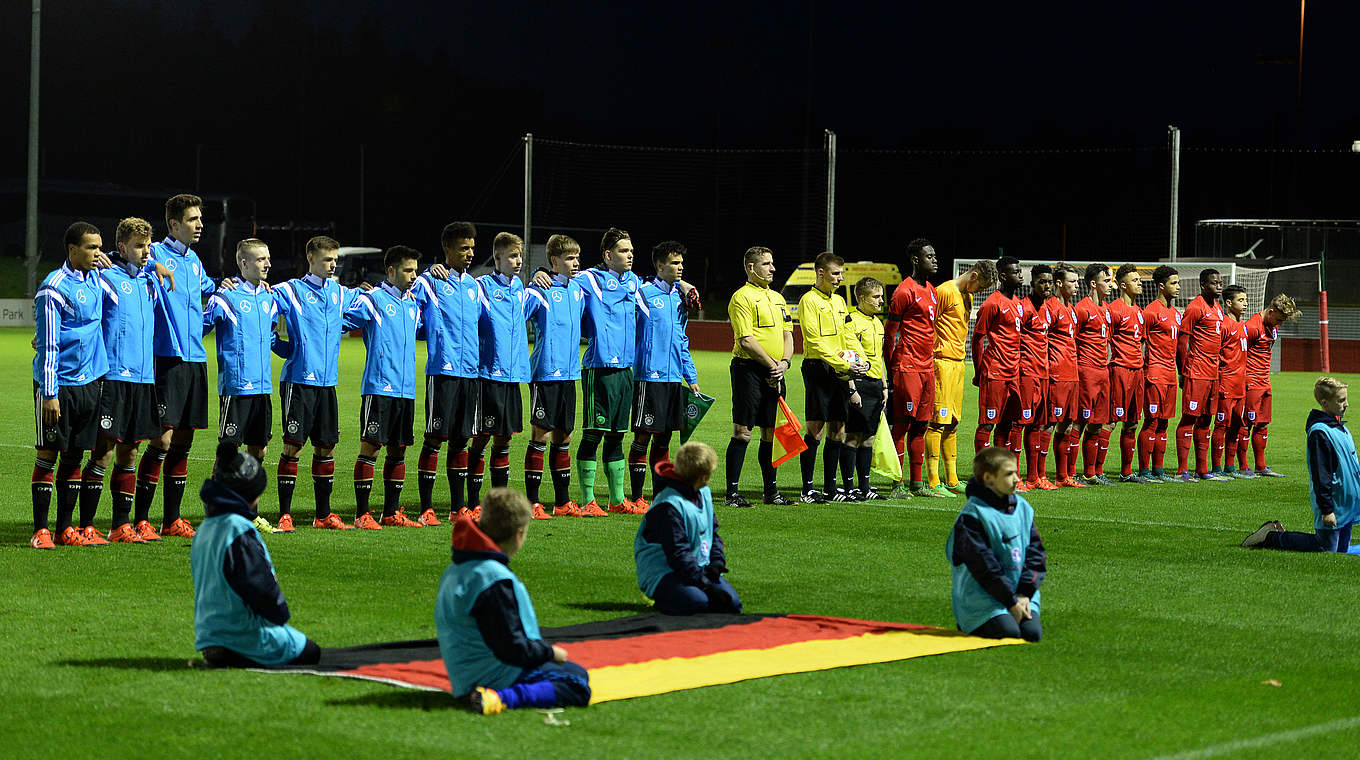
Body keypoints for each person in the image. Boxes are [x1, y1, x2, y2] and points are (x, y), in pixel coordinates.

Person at [436, 488, 592, 715]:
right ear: (519, 535)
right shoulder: (492, 578)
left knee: (573, 672)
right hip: (493, 674)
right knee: (577, 682)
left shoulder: (459, 568)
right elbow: (510, 646)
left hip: (465, 673)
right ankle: (501, 698)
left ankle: (495, 693)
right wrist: (548, 653)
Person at [137, 194, 226, 539]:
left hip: (195, 358)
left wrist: (227, 285)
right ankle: (141, 518)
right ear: (174, 224)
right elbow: (117, 260)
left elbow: (209, 287)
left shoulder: (194, 261)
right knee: (162, 440)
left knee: (184, 440)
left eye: (200, 218)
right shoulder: (155, 252)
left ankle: (171, 519)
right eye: (192, 219)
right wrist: (150, 266)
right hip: (168, 357)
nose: (200, 224)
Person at [192, 441, 323, 668]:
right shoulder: (238, 529)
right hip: (241, 635)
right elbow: (261, 587)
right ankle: (242, 654)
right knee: (310, 650)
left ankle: (225, 652)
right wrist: (280, 615)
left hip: (207, 636)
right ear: (248, 494)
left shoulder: (205, 527)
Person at [271, 236, 362, 530]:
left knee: (326, 447)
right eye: (327, 259)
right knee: (293, 447)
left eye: (335, 259)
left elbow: (359, 307)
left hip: (327, 384)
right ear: (311, 259)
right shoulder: (290, 290)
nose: (333, 264)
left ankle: (322, 515)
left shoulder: (339, 292)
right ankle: (285, 514)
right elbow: (262, 312)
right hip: (299, 381)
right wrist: (285, 348)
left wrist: (369, 291)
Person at [30, 222, 110, 548]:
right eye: (91, 248)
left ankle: (66, 529)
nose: (98, 254)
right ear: (72, 249)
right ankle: (41, 530)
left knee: (75, 456)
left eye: (100, 247)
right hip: (57, 385)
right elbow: (48, 345)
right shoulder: (53, 288)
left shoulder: (96, 279)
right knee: (48, 454)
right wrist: (49, 394)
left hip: (89, 382)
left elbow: (131, 256)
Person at [87, 217, 163, 543]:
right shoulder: (105, 278)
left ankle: (121, 525)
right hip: (114, 377)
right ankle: (86, 525)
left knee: (130, 453)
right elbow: (83, 313)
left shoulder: (150, 283)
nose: (145, 252)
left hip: (144, 379)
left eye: (147, 246)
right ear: (121, 247)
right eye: (138, 246)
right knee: (102, 451)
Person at [203, 239, 286, 532]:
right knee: (228, 452)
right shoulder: (225, 297)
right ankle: (215, 514)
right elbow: (200, 327)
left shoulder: (269, 298)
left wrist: (292, 351)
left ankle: (249, 516)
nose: (267, 264)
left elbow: (272, 337)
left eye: (268, 258)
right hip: (237, 386)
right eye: (260, 259)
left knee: (259, 452)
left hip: (263, 387)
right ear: (243, 264)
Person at [342, 246, 424, 529]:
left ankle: (390, 513)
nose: (413, 276)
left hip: (406, 389)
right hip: (379, 387)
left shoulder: (413, 305)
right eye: (407, 270)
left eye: (415, 270)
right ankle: (362, 514)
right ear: (391, 271)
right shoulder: (373, 300)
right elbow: (340, 320)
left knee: (399, 449)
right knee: (371, 448)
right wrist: (351, 294)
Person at [411, 222, 484, 524]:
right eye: (463, 248)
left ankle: (457, 508)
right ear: (447, 251)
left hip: (471, 373)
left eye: (472, 247)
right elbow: (408, 310)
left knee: (461, 441)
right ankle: (427, 508)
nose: (470, 253)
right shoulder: (429, 283)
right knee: (434, 439)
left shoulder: (475, 287)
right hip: (442, 371)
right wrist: (428, 271)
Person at [1242, 377, 1357, 553]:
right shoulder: (1320, 433)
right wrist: (1327, 510)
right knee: (1325, 548)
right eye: (1341, 400)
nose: (1346, 404)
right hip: (1334, 504)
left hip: (1347, 504)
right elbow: (1321, 475)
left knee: (1340, 552)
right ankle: (1271, 537)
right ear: (1325, 403)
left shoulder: (1342, 429)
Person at [575, 228, 644, 516]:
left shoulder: (634, 281)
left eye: (631, 250)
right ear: (607, 255)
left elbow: (660, 286)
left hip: (626, 370)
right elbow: (560, 282)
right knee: (593, 434)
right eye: (623, 250)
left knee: (617, 437)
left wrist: (685, 285)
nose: (630, 255)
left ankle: (617, 500)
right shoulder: (589, 279)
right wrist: (542, 271)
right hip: (598, 368)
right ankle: (588, 500)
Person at [946, 446, 1045, 642]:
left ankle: (1015, 608)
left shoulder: (1023, 507)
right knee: (1009, 633)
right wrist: (1010, 601)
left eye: (1016, 472)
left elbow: (1036, 554)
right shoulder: (972, 516)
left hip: (1020, 594)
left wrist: (1024, 594)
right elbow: (985, 567)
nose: (1017, 479)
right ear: (988, 478)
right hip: (982, 600)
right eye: (1009, 474)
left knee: (1032, 634)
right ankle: (971, 622)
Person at [629, 241, 701, 508]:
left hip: (672, 378)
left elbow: (681, 340)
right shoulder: (642, 293)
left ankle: (659, 494)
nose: (680, 267)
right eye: (674, 263)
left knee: (664, 437)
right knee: (643, 436)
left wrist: (690, 377)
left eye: (682, 263)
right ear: (660, 266)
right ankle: (636, 497)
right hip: (649, 376)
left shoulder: (677, 299)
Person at [724, 246, 795, 507]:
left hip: (776, 370)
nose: (773, 268)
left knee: (770, 432)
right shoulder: (741, 298)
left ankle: (771, 492)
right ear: (751, 268)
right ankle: (732, 494)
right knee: (743, 432)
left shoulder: (778, 298)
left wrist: (784, 363)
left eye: (772, 263)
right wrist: (772, 365)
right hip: (748, 370)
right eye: (766, 264)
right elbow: (745, 340)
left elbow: (789, 334)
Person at [522, 234, 587, 517]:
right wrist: (535, 275)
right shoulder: (539, 291)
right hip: (546, 372)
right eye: (569, 258)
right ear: (553, 261)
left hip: (570, 373)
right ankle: (532, 502)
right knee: (542, 434)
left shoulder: (578, 291)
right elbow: (514, 315)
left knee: (565, 436)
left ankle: (562, 503)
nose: (575, 263)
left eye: (577, 258)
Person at [635, 441, 740, 614]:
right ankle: (658, 597)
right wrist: (705, 586)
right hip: (663, 571)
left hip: (697, 567)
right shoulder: (669, 505)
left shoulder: (703, 492)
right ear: (703, 477)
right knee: (698, 603)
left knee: (732, 604)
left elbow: (712, 532)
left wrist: (716, 564)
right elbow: (678, 553)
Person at [797, 251, 864, 503]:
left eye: (841, 274)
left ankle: (830, 489)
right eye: (836, 273)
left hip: (839, 368)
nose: (840, 278)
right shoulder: (808, 301)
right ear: (821, 273)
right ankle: (807, 489)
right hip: (818, 368)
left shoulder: (838, 302)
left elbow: (847, 335)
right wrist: (843, 363)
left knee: (838, 427)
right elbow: (814, 340)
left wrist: (860, 358)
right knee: (816, 428)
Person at [926, 260, 996, 496]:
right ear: (973, 275)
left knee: (953, 423)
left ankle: (952, 480)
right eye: (980, 287)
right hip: (942, 363)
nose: (978, 293)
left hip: (957, 364)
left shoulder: (966, 296)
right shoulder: (944, 291)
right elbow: (928, 325)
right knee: (938, 421)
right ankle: (934, 482)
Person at [884, 239, 939, 498]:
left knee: (921, 426)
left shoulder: (932, 290)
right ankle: (897, 483)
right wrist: (891, 368)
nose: (935, 260)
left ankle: (917, 484)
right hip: (907, 367)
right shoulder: (904, 291)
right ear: (916, 260)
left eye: (935, 255)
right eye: (929, 256)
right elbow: (890, 333)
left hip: (927, 367)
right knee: (902, 426)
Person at [970, 257, 1025, 464]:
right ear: (1003, 276)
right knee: (987, 423)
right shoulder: (992, 303)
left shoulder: (1018, 304)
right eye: (1015, 272)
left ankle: (1001, 471)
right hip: (994, 372)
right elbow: (977, 339)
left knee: (1007, 424)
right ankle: (982, 474)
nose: (1020, 275)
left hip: (1014, 372)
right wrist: (978, 371)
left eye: (1020, 271)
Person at [1175, 269, 1226, 482]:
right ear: (1203, 285)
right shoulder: (1195, 307)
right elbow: (1181, 343)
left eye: (1221, 282)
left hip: (1213, 372)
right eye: (1214, 283)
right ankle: (1182, 470)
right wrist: (1182, 371)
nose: (1219, 286)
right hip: (1196, 371)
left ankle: (1202, 470)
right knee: (1189, 418)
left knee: (1206, 420)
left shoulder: (1218, 308)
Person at [1242, 294, 1300, 478]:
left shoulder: (1273, 327)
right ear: (1271, 311)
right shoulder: (1251, 327)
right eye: (1280, 319)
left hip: (1265, 381)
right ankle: (1243, 467)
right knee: (1246, 423)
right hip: (1250, 381)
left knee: (1263, 423)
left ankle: (1261, 466)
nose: (1281, 323)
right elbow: (1239, 354)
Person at [1107, 264, 1151, 484]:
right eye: (1135, 280)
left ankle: (1126, 472)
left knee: (1132, 422)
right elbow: (1104, 339)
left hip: (1138, 371)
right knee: (1111, 421)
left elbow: (1141, 342)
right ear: (1123, 285)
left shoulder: (1139, 312)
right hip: (1120, 370)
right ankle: (1095, 471)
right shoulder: (1114, 309)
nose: (1140, 283)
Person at [845, 277, 888, 500]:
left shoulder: (877, 323)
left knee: (869, 438)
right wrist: (852, 388)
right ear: (862, 298)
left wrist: (884, 386)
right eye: (876, 297)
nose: (881, 301)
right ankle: (849, 487)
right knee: (852, 436)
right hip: (859, 383)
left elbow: (878, 357)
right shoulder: (851, 321)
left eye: (881, 296)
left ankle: (865, 487)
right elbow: (848, 357)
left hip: (874, 385)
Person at [1137, 265, 1181, 483]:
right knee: (1151, 422)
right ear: (1161, 286)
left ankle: (1159, 470)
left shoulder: (1175, 313)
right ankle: (1144, 470)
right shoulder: (1150, 311)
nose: (1178, 287)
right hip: (1154, 373)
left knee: (1164, 422)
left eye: (1178, 282)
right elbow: (1139, 344)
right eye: (1174, 283)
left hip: (1170, 374)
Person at [1044, 265, 1086, 489]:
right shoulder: (1049, 307)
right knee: (1049, 424)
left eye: (1077, 281)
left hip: (1073, 373)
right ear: (1059, 283)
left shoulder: (1071, 309)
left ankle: (1063, 476)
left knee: (1068, 425)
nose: (1077, 285)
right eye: (1072, 281)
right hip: (1057, 374)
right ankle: (1039, 476)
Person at [1075, 263, 1115, 486]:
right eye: (1106, 281)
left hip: (1103, 371)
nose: (1110, 285)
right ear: (1093, 284)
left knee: (1098, 423)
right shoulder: (1082, 308)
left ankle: (1091, 473)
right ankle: (1070, 473)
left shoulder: (1106, 309)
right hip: (1086, 371)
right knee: (1080, 421)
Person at [1018, 265, 1055, 490]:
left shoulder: (1048, 308)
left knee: (1038, 425)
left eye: (1049, 282)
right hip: (1027, 373)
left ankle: (1034, 477)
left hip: (1044, 373)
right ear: (1032, 283)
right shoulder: (1024, 308)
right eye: (1042, 281)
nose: (1047, 286)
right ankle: (1015, 477)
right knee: (1020, 424)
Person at [1211, 284, 1251, 479]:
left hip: (1240, 384)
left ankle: (1230, 466)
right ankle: (1216, 467)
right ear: (1229, 303)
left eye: (1245, 300)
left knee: (1237, 425)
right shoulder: (1223, 325)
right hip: (1226, 383)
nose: (1245, 303)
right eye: (1240, 300)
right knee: (1222, 425)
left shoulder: (1243, 325)